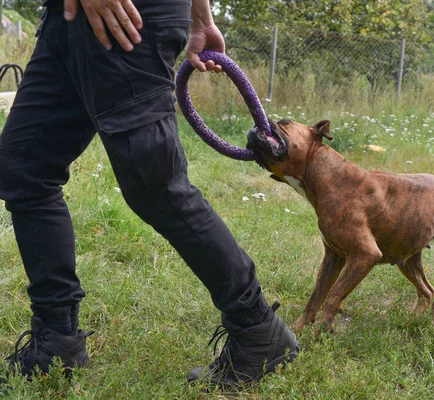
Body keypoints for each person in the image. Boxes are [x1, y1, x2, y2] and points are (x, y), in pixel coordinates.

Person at [0, 0, 299, 387]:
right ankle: (56, 337)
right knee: (24, 169)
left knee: (155, 185)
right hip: (67, 18)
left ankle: (259, 329)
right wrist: (200, 14)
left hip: (126, 16)